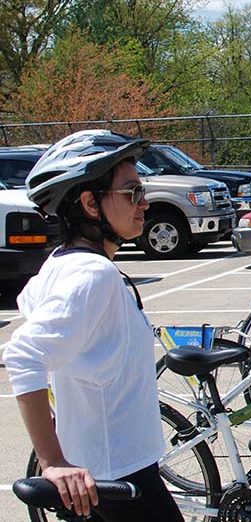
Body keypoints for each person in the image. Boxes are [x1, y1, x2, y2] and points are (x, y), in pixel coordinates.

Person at [2, 130, 183, 521]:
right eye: (132, 193)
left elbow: (42, 324)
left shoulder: (62, 264)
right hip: (119, 481)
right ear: (90, 203)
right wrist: (51, 459)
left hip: (106, 474)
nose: (145, 203)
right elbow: (24, 354)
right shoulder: (91, 275)